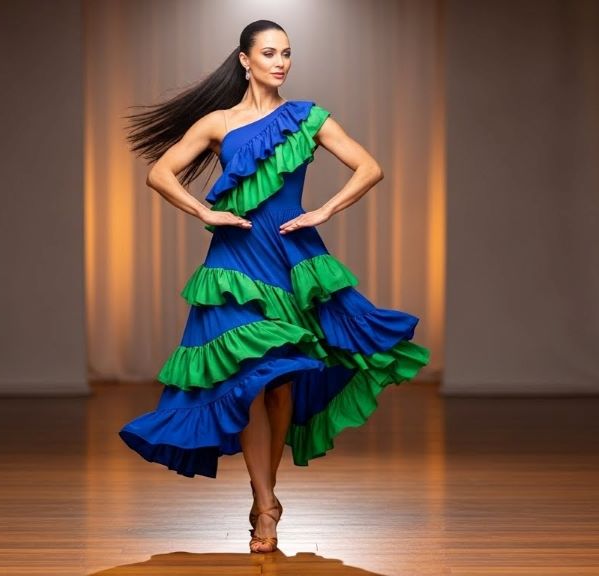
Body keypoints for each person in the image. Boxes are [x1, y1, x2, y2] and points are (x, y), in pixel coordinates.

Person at [119, 19, 430, 554]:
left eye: (287, 52)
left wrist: (324, 211)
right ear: (245, 59)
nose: (281, 61)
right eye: (269, 52)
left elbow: (369, 167)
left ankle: (268, 494)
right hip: (235, 264)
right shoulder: (218, 122)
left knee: (281, 383)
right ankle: (265, 505)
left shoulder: (307, 117)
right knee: (249, 381)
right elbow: (159, 174)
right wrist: (205, 211)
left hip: (291, 259)